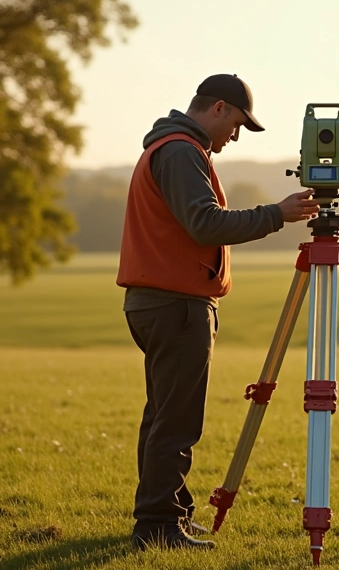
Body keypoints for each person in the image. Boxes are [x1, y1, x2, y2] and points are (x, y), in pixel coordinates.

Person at [116, 73, 319, 551]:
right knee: (177, 420)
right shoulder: (183, 151)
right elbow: (205, 224)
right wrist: (277, 214)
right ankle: (157, 526)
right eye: (238, 125)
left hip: (160, 301)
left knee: (165, 415)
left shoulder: (169, 147)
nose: (236, 136)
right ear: (219, 109)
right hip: (176, 305)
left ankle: (170, 514)